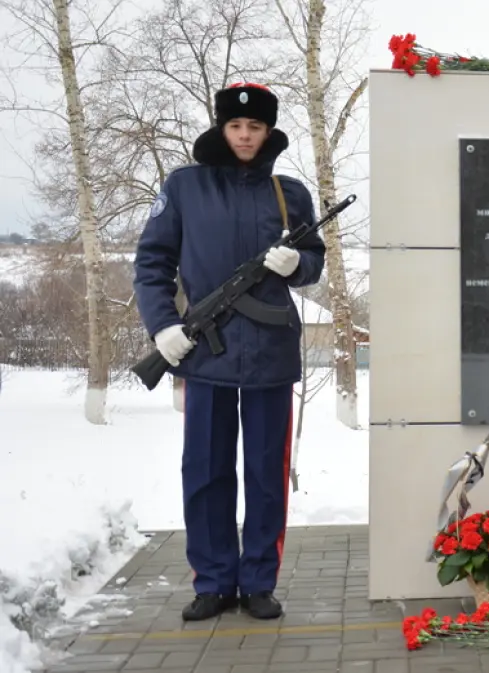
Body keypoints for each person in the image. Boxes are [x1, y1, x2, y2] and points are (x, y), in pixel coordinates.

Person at [132, 82, 326, 621]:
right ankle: (213, 582)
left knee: (266, 473)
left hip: (269, 354)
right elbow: (151, 262)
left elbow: (313, 259)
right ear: (222, 128)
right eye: (236, 126)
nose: (245, 136)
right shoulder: (185, 187)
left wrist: (299, 266)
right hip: (204, 352)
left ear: (268, 131)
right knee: (206, 470)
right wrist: (163, 326)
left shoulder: (289, 193)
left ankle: (258, 582)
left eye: (255, 127)